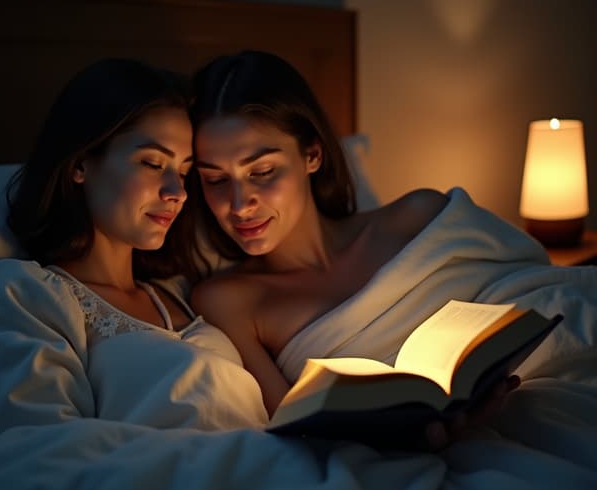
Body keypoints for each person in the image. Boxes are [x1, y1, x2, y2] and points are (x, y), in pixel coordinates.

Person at [187, 50, 520, 449]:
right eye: (215, 179)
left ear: (312, 154)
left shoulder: (420, 218)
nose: (240, 204)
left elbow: (532, 288)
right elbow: (293, 426)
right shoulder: (229, 301)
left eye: (262, 172)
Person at [0, 58, 267, 448]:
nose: (177, 192)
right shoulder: (22, 294)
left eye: (183, 172)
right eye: (152, 163)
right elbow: (35, 454)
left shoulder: (182, 291)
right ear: (81, 163)